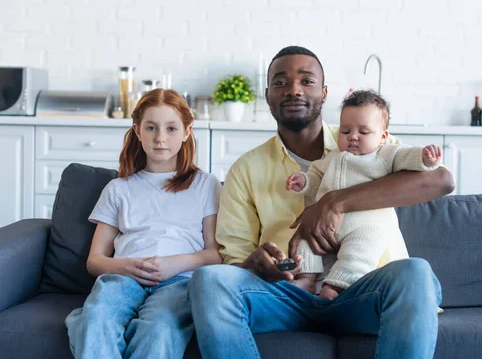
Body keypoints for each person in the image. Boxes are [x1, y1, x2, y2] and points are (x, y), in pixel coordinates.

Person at [189, 46, 455, 359]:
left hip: (363, 291)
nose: (294, 90)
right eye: (280, 83)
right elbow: (234, 262)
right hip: (288, 295)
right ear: (267, 95)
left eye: (306, 81)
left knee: (416, 272)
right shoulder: (246, 169)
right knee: (208, 280)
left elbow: (440, 180)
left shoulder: (368, 140)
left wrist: (333, 202)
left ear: (325, 93)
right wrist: (259, 265)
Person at [65, 89, 222, 359]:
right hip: (121, 280)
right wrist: (124, 266)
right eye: (151, 128)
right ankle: (84, 319)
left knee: (160, 330)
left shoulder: (205, 184)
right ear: (138, 131)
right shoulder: (118, 189)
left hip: (179, 283)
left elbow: (216, 254)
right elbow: (95, 260)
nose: (160, 138)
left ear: (187, 131)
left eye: (171, 128)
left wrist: (174, 264)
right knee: (97, 319)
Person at [286, 89, 443, 300]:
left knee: (360, 253)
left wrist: (425, 158)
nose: (353, 137)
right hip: (325, 228)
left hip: (365, 226)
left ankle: (335, 287)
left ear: (383, 136)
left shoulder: (385, 155)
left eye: (364, 132)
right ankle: (306, 279)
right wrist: (303, 182)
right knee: (305, 242)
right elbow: (316, 176)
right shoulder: (332, 157)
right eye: (345, 130)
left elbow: (406, 157)